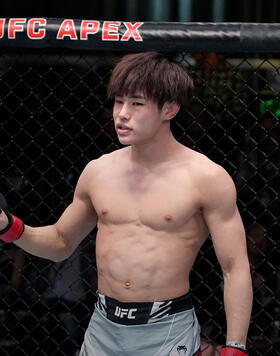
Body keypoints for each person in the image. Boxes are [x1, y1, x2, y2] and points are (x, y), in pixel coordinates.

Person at [0, 52, 252, 356]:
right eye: (118, 102)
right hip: (103, 327)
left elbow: (234, 267)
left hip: (167, 329)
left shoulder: (207, 178)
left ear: (169, 109)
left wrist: (236, 346)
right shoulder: (98, 171)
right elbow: (61, 242)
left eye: (136, 103)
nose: (121, 113)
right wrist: (10, 228)